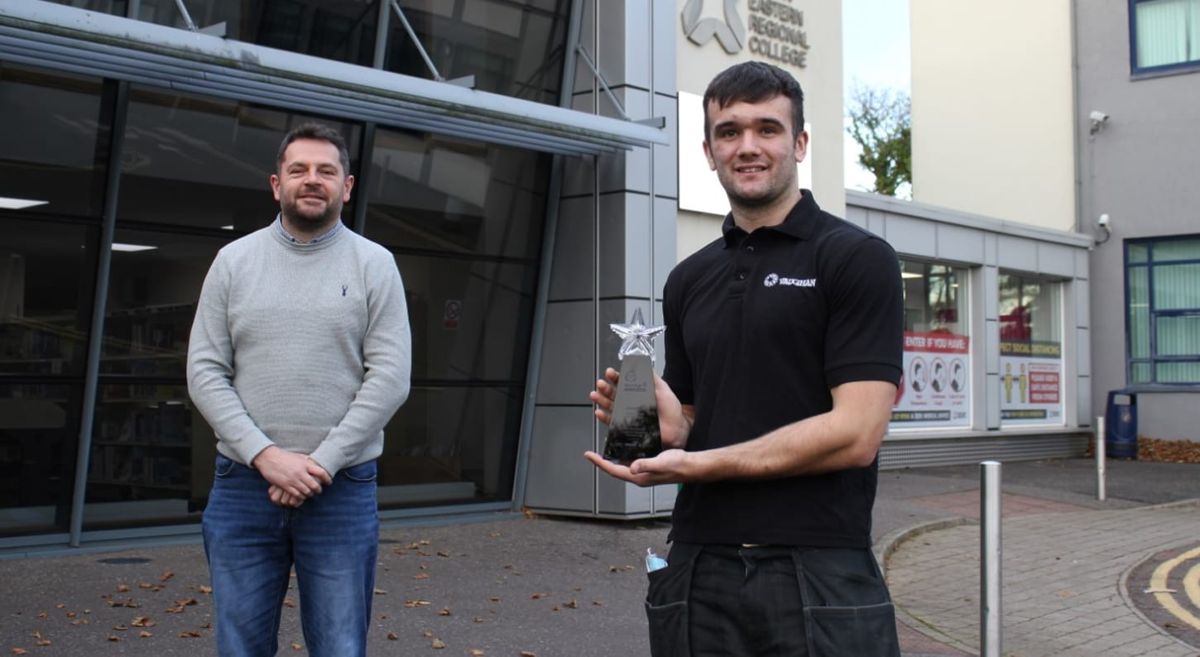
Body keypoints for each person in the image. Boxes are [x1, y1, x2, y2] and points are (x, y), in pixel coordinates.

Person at [587, 61, 903, 656]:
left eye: (767, 129)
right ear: (709, 152)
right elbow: (696, 419)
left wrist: (699, 464)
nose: (748, 146)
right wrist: (673, 429)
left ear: (800, 143)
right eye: (729, 132)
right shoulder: (689, 278)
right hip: (698, 565)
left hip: (818, 568)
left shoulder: (856, 259)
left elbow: (857, 433)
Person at [187, 122, 412, 657]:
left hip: (341, 489)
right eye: (299, 170)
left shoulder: (374, 265)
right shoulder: (233, 262)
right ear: (276, 184)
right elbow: (204, 371)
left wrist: (319, 465)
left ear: (347, 187)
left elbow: (390, 378)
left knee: (339, 647)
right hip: (244, 487)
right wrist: (266, 457)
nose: (312, 180)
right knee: (239, 647)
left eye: (326, 171)